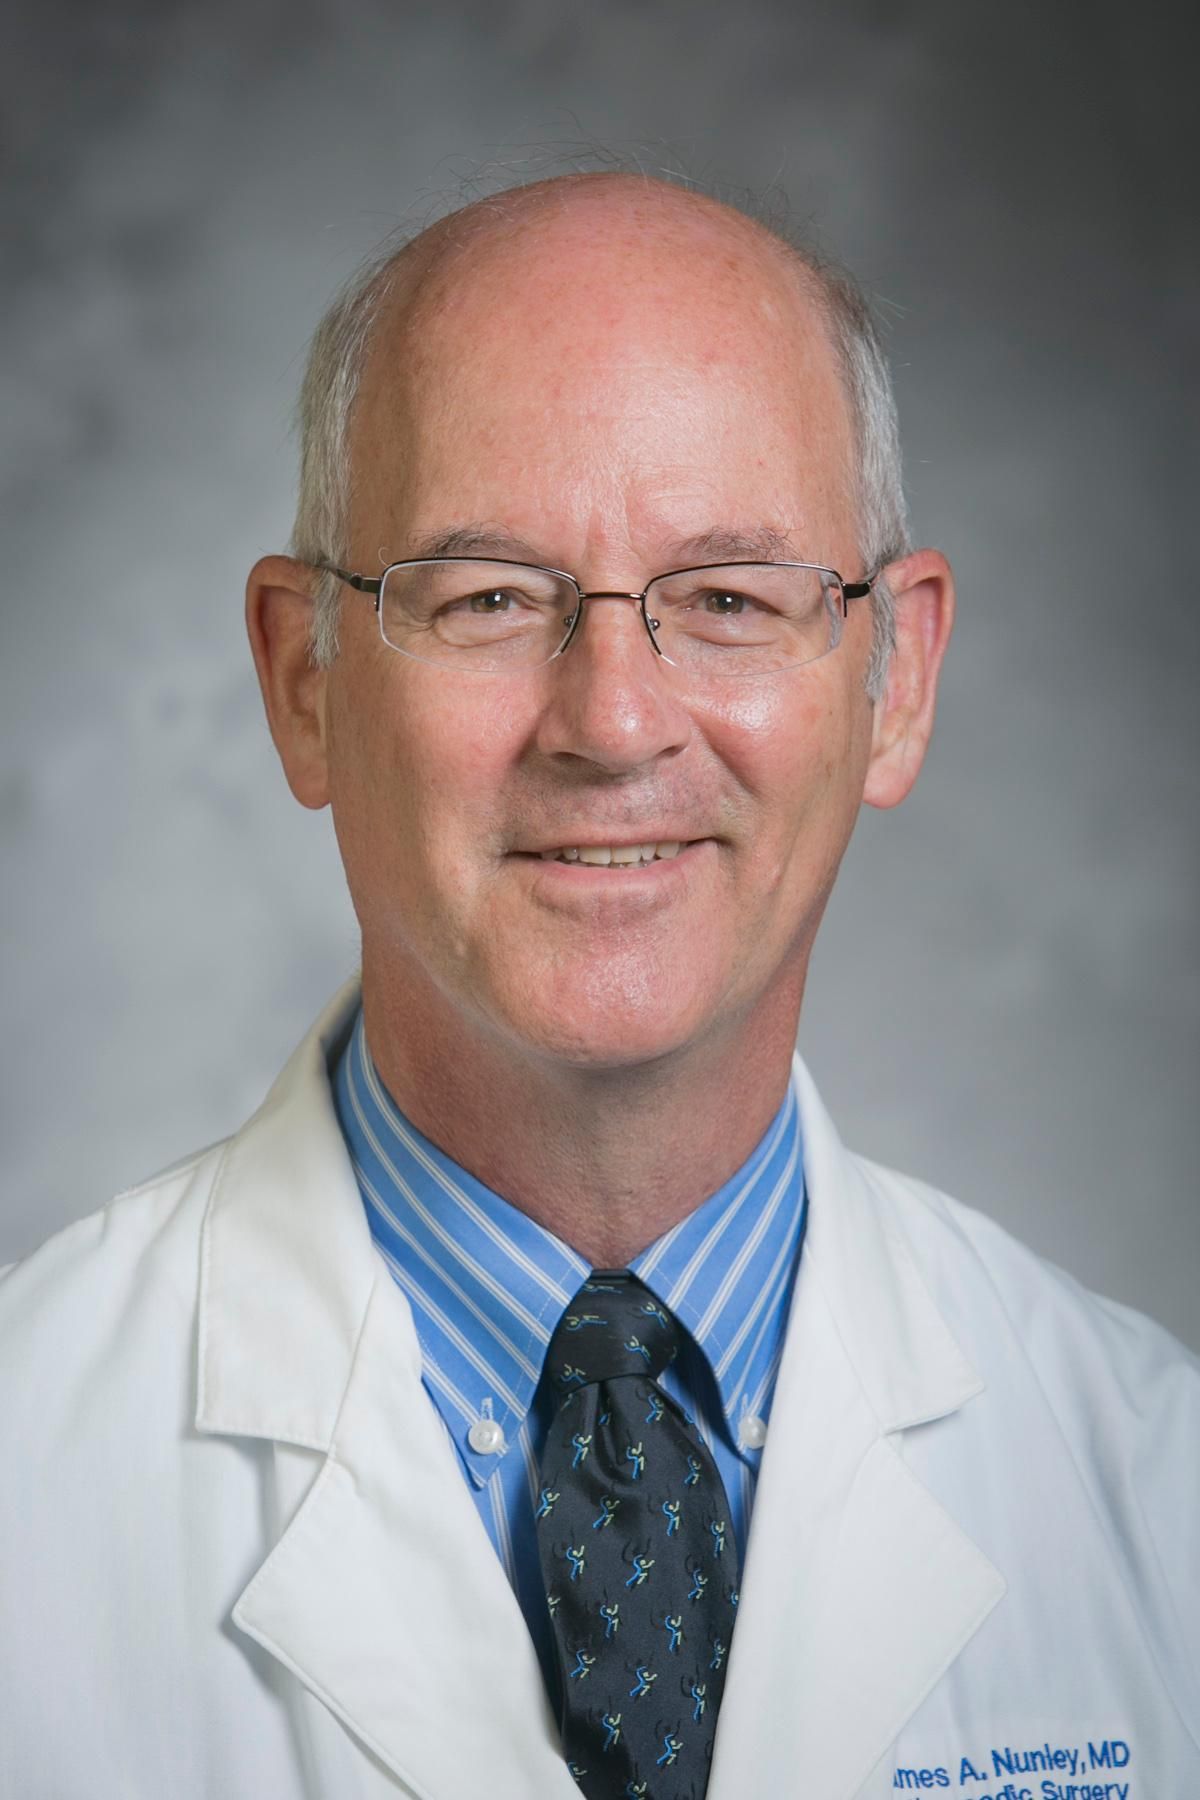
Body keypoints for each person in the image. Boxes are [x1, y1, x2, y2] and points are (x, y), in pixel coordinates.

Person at [0, 173, 1196, 1800]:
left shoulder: (1163, 1506)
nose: (615, 721)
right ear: (302, 682)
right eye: (488, 596)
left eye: (730, 598)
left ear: (898, 678)